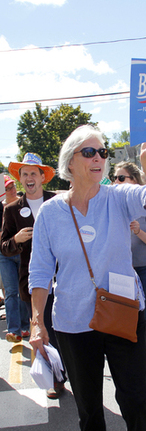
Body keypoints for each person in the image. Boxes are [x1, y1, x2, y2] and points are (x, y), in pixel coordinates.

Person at [28, 122, 146, 431]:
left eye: (102, 152)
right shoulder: (51, 213)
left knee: (136, 403)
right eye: (89, 152)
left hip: (121, 315)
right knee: (89, 410)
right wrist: (35, 322)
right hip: (74, 323)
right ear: (69, 163)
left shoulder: (118, 197)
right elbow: (41, 271)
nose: (99, 158)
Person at [1, 153, 60, 396]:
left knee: (63, 330)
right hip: (32, 279)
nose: (28, 178)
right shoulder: (13, 209)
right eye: (24, 174)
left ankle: (66, 372)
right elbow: (3, 245)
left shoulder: (57, 202)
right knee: (39, 327)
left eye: (33, 173)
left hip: (63, 277)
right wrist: (16, 239)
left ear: (42, 177)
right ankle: (50, 382)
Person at [113, 162, 146, 391]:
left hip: (144, 270)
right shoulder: (113, 205)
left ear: (134, 180)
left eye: (122, 178)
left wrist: (137, 231)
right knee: (121, 322)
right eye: (115, 178)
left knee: (145, 321)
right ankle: (125, 370)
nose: (117, 183)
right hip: (120, 272)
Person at [1, 173, 29, 344]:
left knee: (23, 291)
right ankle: (14, 331)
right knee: (11, 292)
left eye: (12, 186)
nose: (12, 189)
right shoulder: (1, 208)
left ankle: (25, 326)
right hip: (4, 255)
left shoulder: (23, 204)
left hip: (22, 252)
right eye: (7, 188)